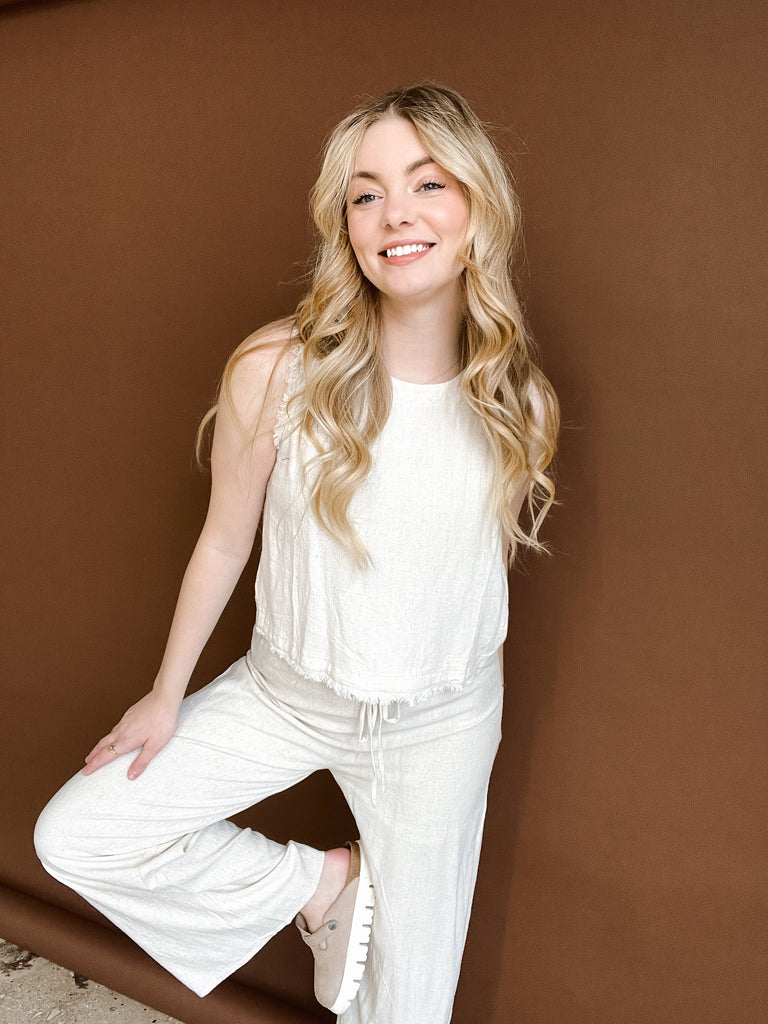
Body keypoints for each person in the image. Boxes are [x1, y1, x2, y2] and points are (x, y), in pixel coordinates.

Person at [34, 82, 559, 1023]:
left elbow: (455, 576)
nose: (396, 214)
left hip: (439, 726)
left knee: (408, 1010)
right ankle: (321, 887)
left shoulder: (516, 401)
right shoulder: (277, 367)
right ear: (345, 225)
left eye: (427, 183)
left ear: (477, 205)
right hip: (286, 695)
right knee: (78, 834)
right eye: (366, 194)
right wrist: (164, 694)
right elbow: (224, 538)